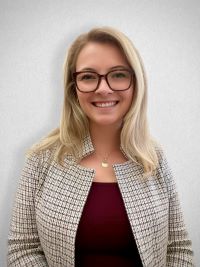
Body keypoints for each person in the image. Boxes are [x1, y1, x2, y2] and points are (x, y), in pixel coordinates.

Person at [7, 27, 194, 267]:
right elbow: (23, 249)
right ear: (73, 88)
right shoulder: (41, 159)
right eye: (88, 76)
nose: (103, 88)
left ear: (136, 83)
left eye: (118, 74)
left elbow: (178, 247)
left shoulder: (154, 157)